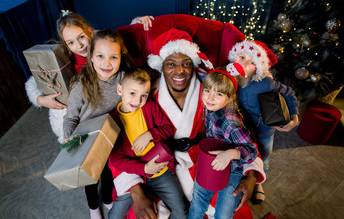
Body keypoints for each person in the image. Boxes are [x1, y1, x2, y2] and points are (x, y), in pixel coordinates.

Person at [113, 28, 266, 219]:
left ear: (194, 65)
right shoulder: (145, 98)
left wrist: (251, 176)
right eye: (171, 63)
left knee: (233, 211)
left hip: (206, 161)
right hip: (162, 165)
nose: (179, 70)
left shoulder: (210, 93)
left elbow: (241, 132)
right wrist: (136, 191)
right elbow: (120, 146)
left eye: (186, 63)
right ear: (161, 66)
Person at [25, 12, 154, 143]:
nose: (79, 45)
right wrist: (40, 99)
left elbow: (117, 40)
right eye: (70, 42)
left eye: (81, 37)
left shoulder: (104, 47)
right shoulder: (68, 60)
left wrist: (137, 24)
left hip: (112, 103)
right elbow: (39, 78)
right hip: (86, 105)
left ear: (90, 32)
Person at [63, 29, 136, 219]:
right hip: (89, 139)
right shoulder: (81, 85)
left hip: (114, 136)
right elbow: (70, 117)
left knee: (108, 173)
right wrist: (69, 136)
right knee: (91, 177)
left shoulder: (124, 78)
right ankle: (93, 206)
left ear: (121, 57)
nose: (107, 63)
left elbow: (141, 83)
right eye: (101, 56)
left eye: (113, 57)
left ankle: (107, 200)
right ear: (91, 57)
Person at [226, 40, 300, 204]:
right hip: (239, 131)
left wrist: (294, 116)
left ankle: (259, 182)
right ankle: (242, 177)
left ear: (258, 69)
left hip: (264, 131)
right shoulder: (228, 80)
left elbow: (288, 93)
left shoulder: (265, 83)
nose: (245, 63)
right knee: (241, 155)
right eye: (242, 57)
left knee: (263, 157)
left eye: (252, 62)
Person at [108, 68, 187, 219]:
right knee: (115, 216)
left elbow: (167, 128)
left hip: (160, 172)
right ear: (120, 89)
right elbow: (115, 159)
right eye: (132, 93)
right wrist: (143, 168)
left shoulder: (149, 107)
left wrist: (150, 134)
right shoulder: (113, 121)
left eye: (143, 95)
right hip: (134, 175)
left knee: (181, 212)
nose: (137, 101)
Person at [187, 69, 258, 219]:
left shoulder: (231, 122)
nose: (210, 98)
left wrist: (232, 153)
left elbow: (251, 151)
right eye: (207, 91)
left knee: (223, 214)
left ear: (230, 98)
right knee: (198, 202)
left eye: (219, 94)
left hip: (232, 169)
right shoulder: (210, 107)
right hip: (211, 162)